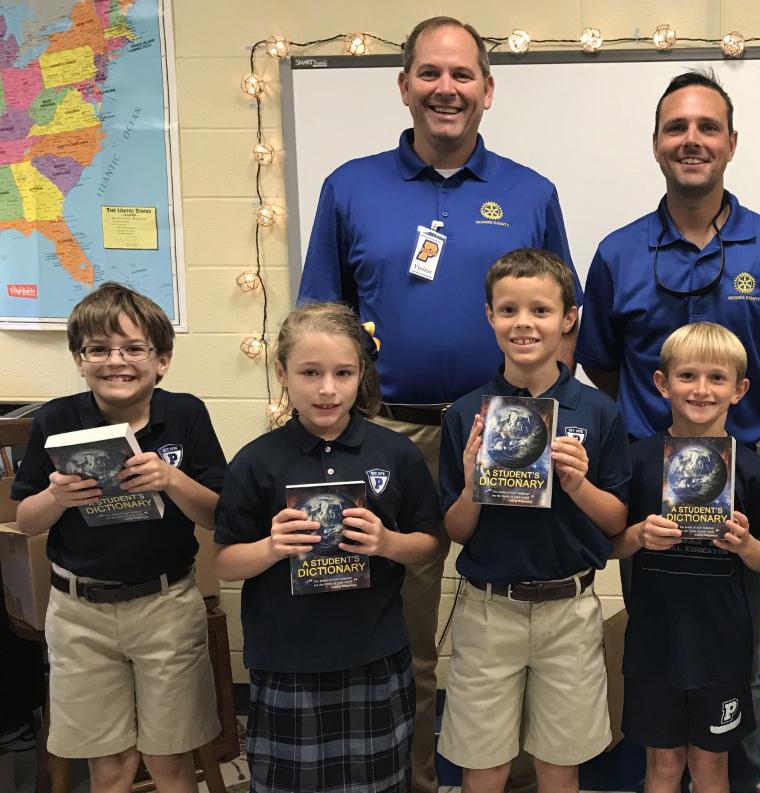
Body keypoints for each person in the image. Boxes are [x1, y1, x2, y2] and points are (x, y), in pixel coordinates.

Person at [295, 18, 582, 793]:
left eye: (461, 75)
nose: (445, 89)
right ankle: (415, 777)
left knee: (521, 615)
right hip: (392, 435)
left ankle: (523, 775)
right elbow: (320, 319)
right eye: (429, 73)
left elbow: (566, 319)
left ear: (488, 89)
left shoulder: (530, 192)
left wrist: (552, 417)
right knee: (404, 626)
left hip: (511, 431)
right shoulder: (350, 187)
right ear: (404, 86)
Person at [576, 69, 760, 793]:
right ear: (656, 143)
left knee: (738, 653)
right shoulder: (617, 252)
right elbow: (601, 363)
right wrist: (652, 432)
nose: (692, 140)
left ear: (731, 143)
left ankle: (736, 779)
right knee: (656, 644)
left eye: (708, 127)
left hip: (742, 474)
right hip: (647, 477)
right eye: (676, 127)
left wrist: (743, 418)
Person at [213, 303, 444, 793]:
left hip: (374, 655)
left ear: (361, 374)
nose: (327, 389)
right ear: (282, 373)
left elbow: (430, 545)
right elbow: (225, 562)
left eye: (343, 373)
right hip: (286, 660)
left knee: (378, 784)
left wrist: (387, 542)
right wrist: (271, 547)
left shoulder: (395, 453)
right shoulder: (256, 461)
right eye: (310, 373)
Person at [12, 283, 225, 793]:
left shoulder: (187, 414)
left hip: (166, 605)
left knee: (169, 760)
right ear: (79, 360)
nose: (116, 361)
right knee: (109, 766)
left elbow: (219, 514)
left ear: (162, 361)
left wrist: (171, 480)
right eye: (98, 349)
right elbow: (27, 521)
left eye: (133, 348)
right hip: (79, 612)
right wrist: (57, 495)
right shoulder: (55, 419)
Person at [438, 249, 631, 793]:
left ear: (568, 318)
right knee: (484, 765)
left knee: (559, 766)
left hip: (569, 610)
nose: (524, 323)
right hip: (489, 610)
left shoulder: (598, 411)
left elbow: (616, 520)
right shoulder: (467, 414)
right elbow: (456, 530)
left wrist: (579, 484)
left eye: (540, 310)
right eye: (509, 310)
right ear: (489, 316)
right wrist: (473, 483)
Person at [610, 322, 760, 793]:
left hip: (721, 646)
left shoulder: (750, 469)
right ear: (662, 384)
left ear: (739, 390)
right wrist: (639, 535)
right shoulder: (638, 460)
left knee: (710, 768)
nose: (701, 389)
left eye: (717, 378)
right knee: (663, 767)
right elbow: (609, 545)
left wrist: (745, 545)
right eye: (687, 376)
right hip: (654, 643)